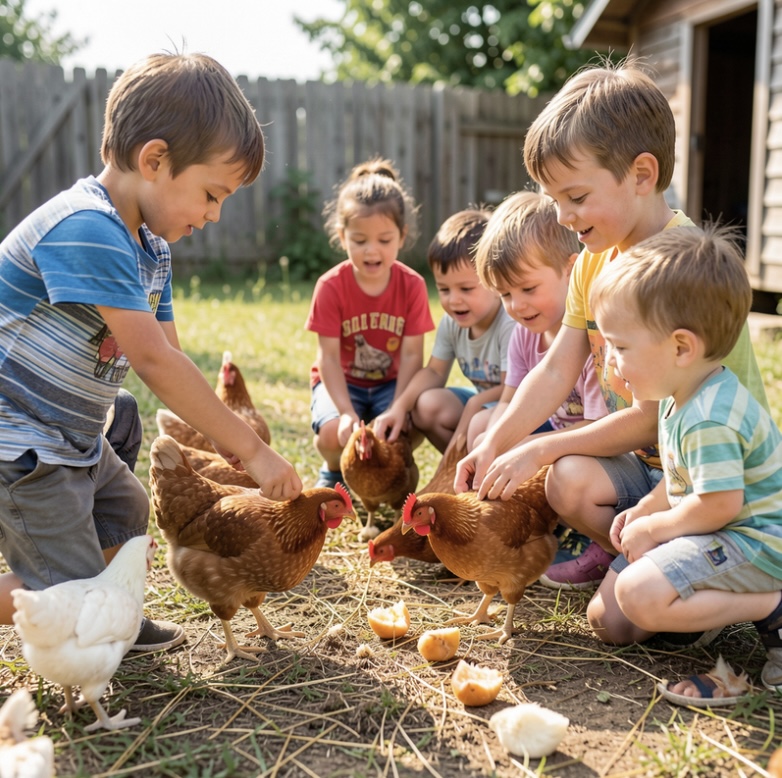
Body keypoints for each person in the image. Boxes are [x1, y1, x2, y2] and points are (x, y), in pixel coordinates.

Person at [0, 52, 302, 651]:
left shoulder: (152, 250)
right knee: (70, 598)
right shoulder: (86, 226)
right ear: (155, 160)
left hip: (69, 438)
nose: (214, 215)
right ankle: (87, 600)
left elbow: (173, 354)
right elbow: (153, 363)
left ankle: (104, 604)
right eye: (212, 194)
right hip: (21, 440)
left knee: (128, 510)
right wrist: (253, 449)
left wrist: (213, 434)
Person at [454, 59, 768, 613]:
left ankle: (715, 571)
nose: (563, 215)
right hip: (650, 463)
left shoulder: (680, 267)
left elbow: (655, 414)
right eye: (553, 199)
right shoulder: (592, 264)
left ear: (642, 174)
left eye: (575, 197)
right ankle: (629, 550)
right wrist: (495, 441)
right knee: (565, 481)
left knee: (615, 621)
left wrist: (542, 444)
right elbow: (554, 370)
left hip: (704, 473)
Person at [588, 224, 782, 702]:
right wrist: (651, 508)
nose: (612, 362)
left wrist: (655, 531)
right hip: (733, 535)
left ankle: (774, 607)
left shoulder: (708, 419)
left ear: (680, 347)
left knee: (639, 596)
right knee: (625, 602)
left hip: (758, 545)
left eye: (622, 346)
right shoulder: (685, 396)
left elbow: (718, 505)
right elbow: (683, 481)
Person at [471, 190, 608, 564]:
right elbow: (511, 399)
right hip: (559, 436)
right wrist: (492, 444)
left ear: (571, 268)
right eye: (505, 295)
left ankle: (593, 539)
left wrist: (528, 447)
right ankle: (520, 527)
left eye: (528, 288)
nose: (517, 306)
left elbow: (598, 427)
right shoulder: (523, 334)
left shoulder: (595, 338)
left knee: (558, 468)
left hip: (598, 448)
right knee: (485, 428)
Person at [306, 158, 435, 488]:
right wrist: (347, 412)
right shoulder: (331, 286)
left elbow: (410, 356)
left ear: (402, 236)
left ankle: (386, 474)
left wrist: (395, 409)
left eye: (384, 239)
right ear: (342, 235)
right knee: (334, 434)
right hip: (343, 382)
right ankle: (335, 470)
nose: (371, 250)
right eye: (360, 240)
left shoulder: (412, 285)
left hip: (391, 385)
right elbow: (329, 359)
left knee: (403, 427)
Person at [373, 208, 515, 454]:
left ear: (495, 280)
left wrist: (474, 403)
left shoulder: (509, 323)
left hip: (511, 409)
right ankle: (456, 468)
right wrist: (398, 407)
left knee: (479, 424)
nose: (454, 300)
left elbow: (511, 387)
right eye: (444, 289)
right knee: (425, 405)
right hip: (481, 405)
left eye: (466, 289)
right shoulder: (452, 323)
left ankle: (459, 472)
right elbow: (434, 371)